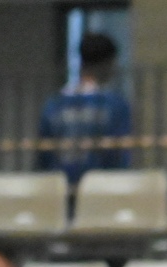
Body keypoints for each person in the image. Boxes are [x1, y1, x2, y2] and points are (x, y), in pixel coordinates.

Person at [39, 30, 135, 188]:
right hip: (102, 188)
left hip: (60, 186)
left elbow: (44, 154)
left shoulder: (54, 104)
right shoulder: (115, 106)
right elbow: (120, 154)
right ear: (108, 63)